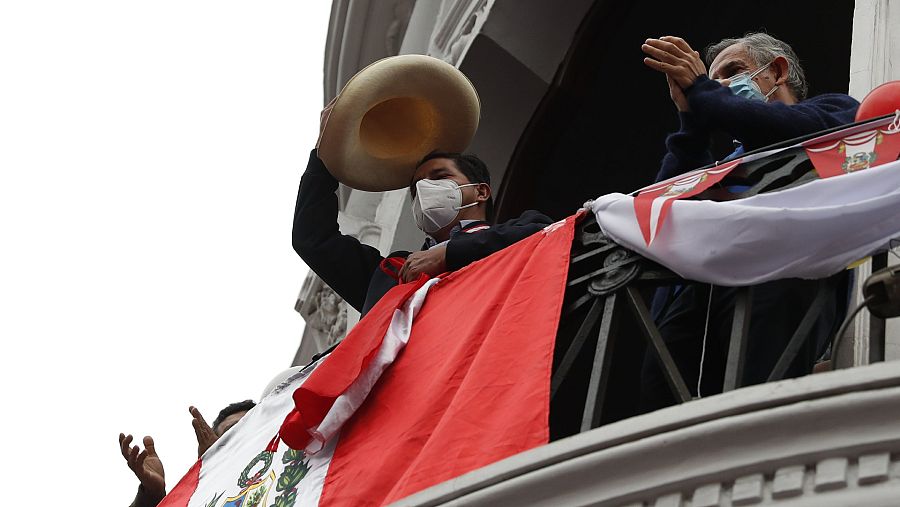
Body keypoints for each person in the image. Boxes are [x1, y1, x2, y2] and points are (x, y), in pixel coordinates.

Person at [637, 33, 859, 409]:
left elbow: (784, 127)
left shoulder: (835, 110)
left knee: (758, 403)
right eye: (714, 78)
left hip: (782, 273)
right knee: (663, 412)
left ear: (776, 71)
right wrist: (691, 123)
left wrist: (703, 90)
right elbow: (658, 206)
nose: (721, 84)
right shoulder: (723, 167)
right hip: (696, 298)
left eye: (733, 71)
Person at [293, 106, 554, 318]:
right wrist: (324, 155)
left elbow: (548, 237)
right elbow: (313, 238)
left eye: (440, 177)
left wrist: (450, 253)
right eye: (417, 189)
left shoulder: (526, 228)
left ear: (481, 192)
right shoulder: (391, 275)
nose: (426, 190)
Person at [119, 401, 256, 507]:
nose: (244, 434)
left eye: (254, 425)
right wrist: (151, 495)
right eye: (232, 431)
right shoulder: (199, 497)